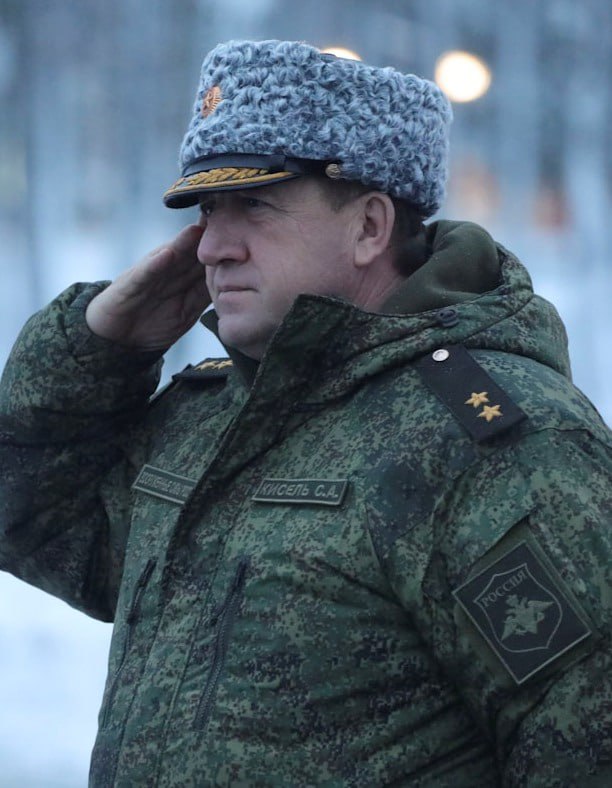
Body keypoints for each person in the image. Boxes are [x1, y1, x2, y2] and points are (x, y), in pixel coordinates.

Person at [1, 38, 610, 787]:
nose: (212, 247)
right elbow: (32, 521)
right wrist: (94, 350)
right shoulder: (215, 416)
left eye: (254, 205)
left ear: (369, 227)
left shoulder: (495, 444)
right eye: (207, 210)